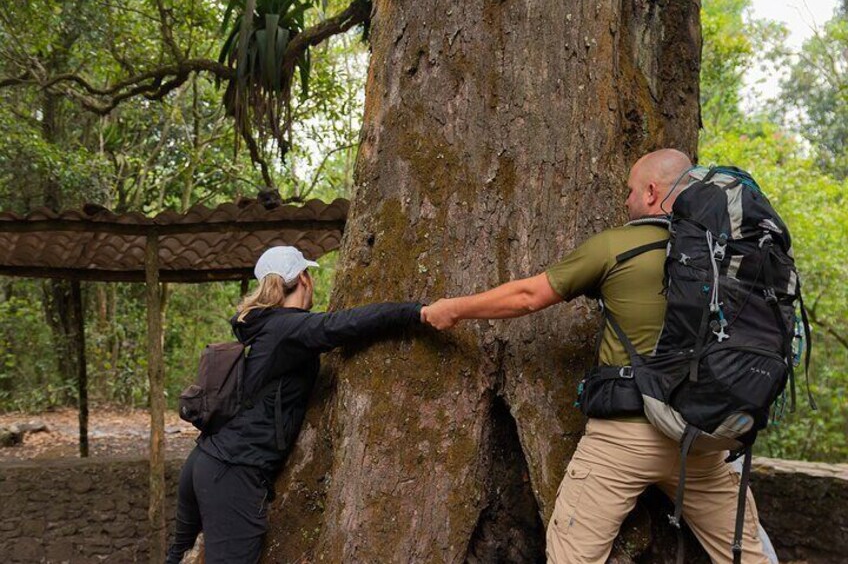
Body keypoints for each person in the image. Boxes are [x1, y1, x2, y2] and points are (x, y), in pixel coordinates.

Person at [421, 149, 771, 563]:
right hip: (703, 439)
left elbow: (528, 296)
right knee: (747, 555)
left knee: (574, 556)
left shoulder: (618, 246)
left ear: (652, 192)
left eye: (630, 191)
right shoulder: (728, 255)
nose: (625, 201)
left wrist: (454, 308)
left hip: (626, 435)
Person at [166, 246, 423, 563]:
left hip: (203, 461)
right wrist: (415, 311)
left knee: (177, 555)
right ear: (304, 278)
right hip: (233, 473)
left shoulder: (262, 327)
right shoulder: (288, 328)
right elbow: (343, 325)